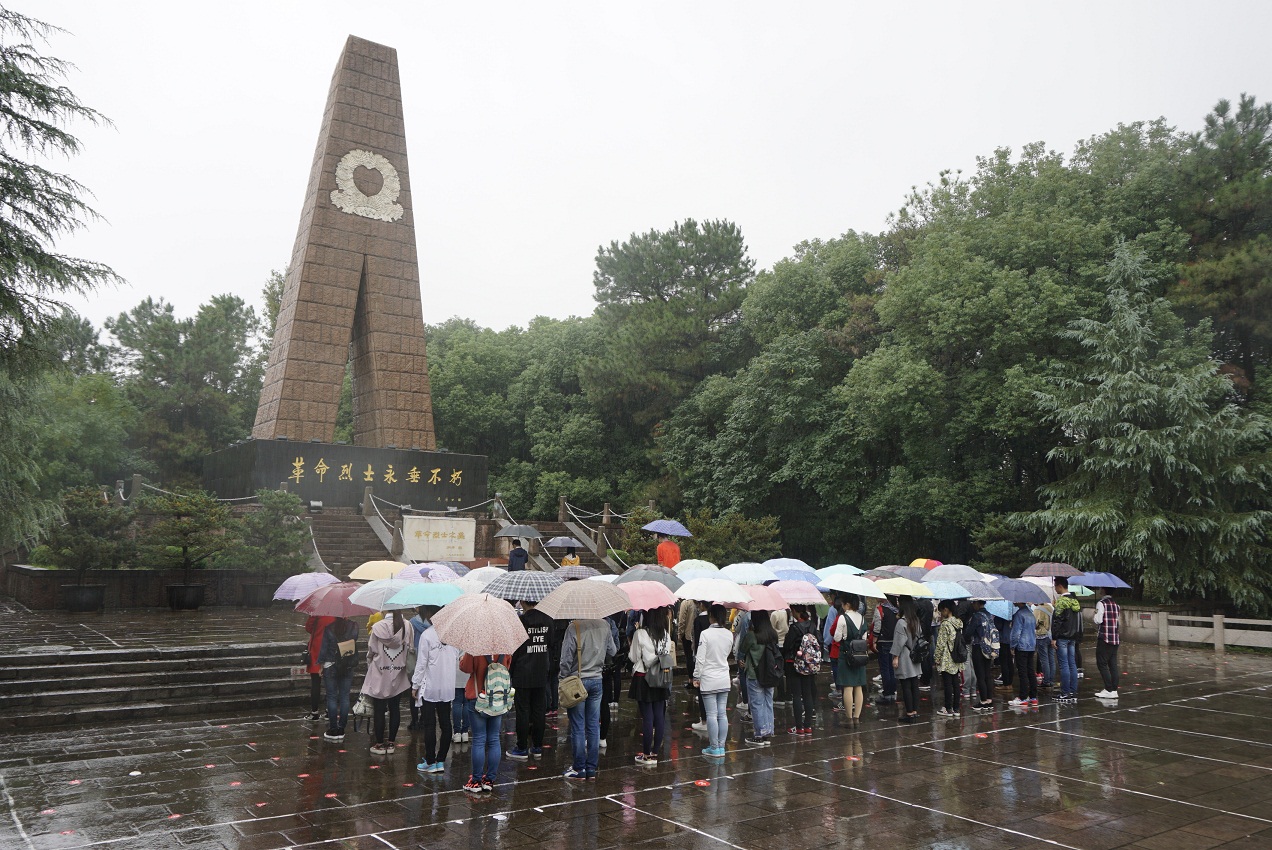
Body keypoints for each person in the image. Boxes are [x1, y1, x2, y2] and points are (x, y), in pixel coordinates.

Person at [560, 616, 617, 779]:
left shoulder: (574, 627)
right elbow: (612, 651)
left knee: (578, 725)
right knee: (593, 725)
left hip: (577, 681)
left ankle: (579, 767)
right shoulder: (605, 625)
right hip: (597, 679)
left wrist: (563, 678)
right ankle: (591, 767)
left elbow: (566, 659)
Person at [410, 606, 458, 773]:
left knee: (430, 724)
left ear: (430, 614)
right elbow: (456, 658)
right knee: (446, 723)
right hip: (447, 686)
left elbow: (421, 663)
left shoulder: (427, 635)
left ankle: (430, 760)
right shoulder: (453, 634)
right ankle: (441, 760)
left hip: (430, 686)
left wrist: (415, 685)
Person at [363, 611, 415, 755]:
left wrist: (370, 663)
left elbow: (371, 650)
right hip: (399, 672)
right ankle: (391, 743)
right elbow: (410, 648)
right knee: (395, 708)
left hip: (380, 672)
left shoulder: (378, 627)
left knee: (379, 709)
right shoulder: (407, 625)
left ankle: (379, 744)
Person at [458, 651, 511, 792]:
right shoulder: (503, 645)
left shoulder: (476, 647)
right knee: (494, 739)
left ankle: (476, 781)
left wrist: (463, 658)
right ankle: (489, 780)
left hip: (478, 697)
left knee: (479, 739)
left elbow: (466, 667)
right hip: (497, 697)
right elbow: (507, 666)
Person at [507, 598, 552, 762]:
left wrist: (511, 672)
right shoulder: (548, 620)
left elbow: (515, 649)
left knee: (523, 711)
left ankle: (521, 747)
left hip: (523, 671)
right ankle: (537, 746)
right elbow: (551, 645)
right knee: (539, 710)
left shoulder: (520, 622)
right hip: (541, 671)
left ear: (524, 602)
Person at [628, 606, 675, 764]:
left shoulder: (640, 633)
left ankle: (646, 754)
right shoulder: (666, 635)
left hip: (644, 677)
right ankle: (654, 753)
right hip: (661, 678)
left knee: (647, 716)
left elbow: (634, 657)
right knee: (659, 715)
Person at [694, 604, 733, 756]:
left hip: (709, 678)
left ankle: (714, 746)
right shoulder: (729, 634)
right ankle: (721, 746)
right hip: (723, 677)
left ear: (711, 616)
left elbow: (700, 658)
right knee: (722, 714)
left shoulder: (705, 634)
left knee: (711, 714)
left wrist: (696, 676)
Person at [739, 609, 778, 745]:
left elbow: (742, 650)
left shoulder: (751, 636)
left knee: (756, 704)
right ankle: (768, 732)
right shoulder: (773, 635)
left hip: (754, 673)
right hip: (770, 674)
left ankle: (759, 734)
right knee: (768, 703)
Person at [318, 616, 358, 742]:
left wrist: (320, 665)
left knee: (331, 697)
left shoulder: (329, 628)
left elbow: (324, 648)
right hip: (347, 664)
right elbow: (354, 640)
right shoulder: (354, 626)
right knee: (344, 696)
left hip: (331, 665)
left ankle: (333, 728)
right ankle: (341, 728)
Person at [783, 605, 819, 735]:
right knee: (808, 694)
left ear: (794, 611)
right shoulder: (812, 626)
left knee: (797, 695)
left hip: (795, 664)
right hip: (809, 664)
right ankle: (808, 726)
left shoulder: (794, 628)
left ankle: (799, 727)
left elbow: (787, 646)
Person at [833, 596, 868, 724]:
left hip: (846, 656)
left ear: (847, 604)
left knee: (848, 687)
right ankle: (857, 717)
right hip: (860, 657)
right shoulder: (862, 618)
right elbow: (864, 638)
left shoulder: (843, 618)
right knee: (858, 687)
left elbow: (837, 638)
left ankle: (849, 718)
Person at [892, 597, 924, 723]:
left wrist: (895, 657)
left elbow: (898, 642)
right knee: (914, 684)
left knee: (906, 685)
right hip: (915, 654)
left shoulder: (901, 622)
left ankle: (909, 713)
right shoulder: (916, 620)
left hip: (905, 655)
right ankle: (914, 711)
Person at [1053, 578, 1082, 703]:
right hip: (1073, 637)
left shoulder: (1061, 602)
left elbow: (1057, 621)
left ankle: (1064, 693)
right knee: (1072, 664)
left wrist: (1054, 637)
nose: (1055, 588)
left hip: (1063, 637)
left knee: (1064, 664)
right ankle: (1072, 692)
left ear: (1060, 586)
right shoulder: (1075, 601)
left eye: (1055, 586)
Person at [933, 599, 963, 716]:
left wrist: (937, 657)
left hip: (947, 657)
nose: (941, 614)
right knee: (955, 682)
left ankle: (948, 708)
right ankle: (956, 708)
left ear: (946, 610)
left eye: (941, 611)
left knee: (947, 684)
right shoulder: (958, 622)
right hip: (957, 656)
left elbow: (940, 643)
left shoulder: (945, 624)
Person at [966, 599, 997, 710]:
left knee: (980, 675)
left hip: (978, 646)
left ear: (978, 603)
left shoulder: (976, 616)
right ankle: (989, 700)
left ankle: (983, 701)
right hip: (989, 647)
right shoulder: (989, 615)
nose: (972, 605)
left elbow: (969, 632)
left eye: (973, 603)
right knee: (987, 674)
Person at [304, 615, 336, 720]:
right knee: (331, 684)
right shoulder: (339, 613)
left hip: (317, 649)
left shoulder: (318, 612)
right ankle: (329, 711)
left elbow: (308, 627)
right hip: (331, 650)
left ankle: (314, 712)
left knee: (315, 683)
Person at [1008, 602, 1038, 707]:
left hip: (1022, 646)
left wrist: (1012, 646)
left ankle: (1023, 697)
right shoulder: (1031, 613)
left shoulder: (1019, 614)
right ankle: (1033, 696)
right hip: (1031, 645)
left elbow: (1016, 633)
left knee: (1022, 672)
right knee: (1031, 671)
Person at [1093, 590, 1121, 699]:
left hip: (1104, 638)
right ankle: (1114, 689)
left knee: (1102, 663)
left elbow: (1098, 620)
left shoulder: (1101, 603)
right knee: (1112, 664)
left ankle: (1108, 689)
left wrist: (1095, 614)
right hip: (1115, 638)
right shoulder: (1116, 605)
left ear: (1104, 590)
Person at [1034, 603, 1055, 690]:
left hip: (1042, 636)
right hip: (1051, 636)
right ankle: (1051, 680)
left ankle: (1046, 681)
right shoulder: (1050, 607)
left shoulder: (1038, 609)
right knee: (1051, 659)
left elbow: (1035, 624)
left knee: (1044, 660)